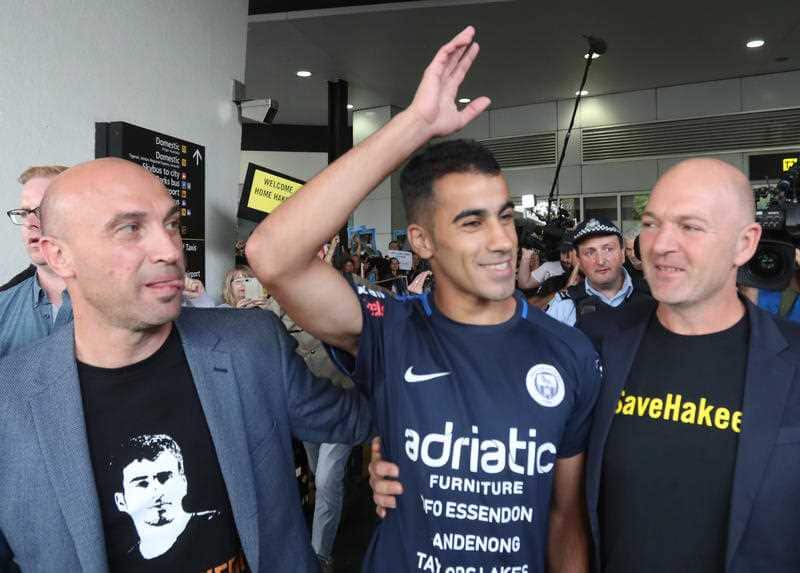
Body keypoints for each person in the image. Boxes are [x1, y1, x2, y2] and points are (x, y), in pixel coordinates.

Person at [247, 27, 601, 573]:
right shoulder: (390, 329)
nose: (503, 240)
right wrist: (413, 125)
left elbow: (564, 516)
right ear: (422, 242)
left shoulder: (568, 352)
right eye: (472, 222)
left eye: (504, 215)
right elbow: (272, 254)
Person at [0, 158, 372, 572]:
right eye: (130, 228)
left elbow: (358, 418)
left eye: (172, 224)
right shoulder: (10, 401)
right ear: (59, 256)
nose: (170, 250)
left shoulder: (249, 345)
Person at [111, 434, 235, 567]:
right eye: (142, 484)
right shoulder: (125, 565)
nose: (157, 491)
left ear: (184, 482)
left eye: (164, 478)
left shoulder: (220, 525)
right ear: (120, 501)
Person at [0, 165, 72, 357]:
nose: (29, 223)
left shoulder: (117, 299)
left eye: (42, 210)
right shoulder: (3, 306)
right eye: (24, 213)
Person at [546, 217, 649, 328]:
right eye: (589, 252)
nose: (600, 261)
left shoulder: (653, 297)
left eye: (608, 249)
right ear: (579, 260)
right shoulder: (565, 306)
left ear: (623, 254)